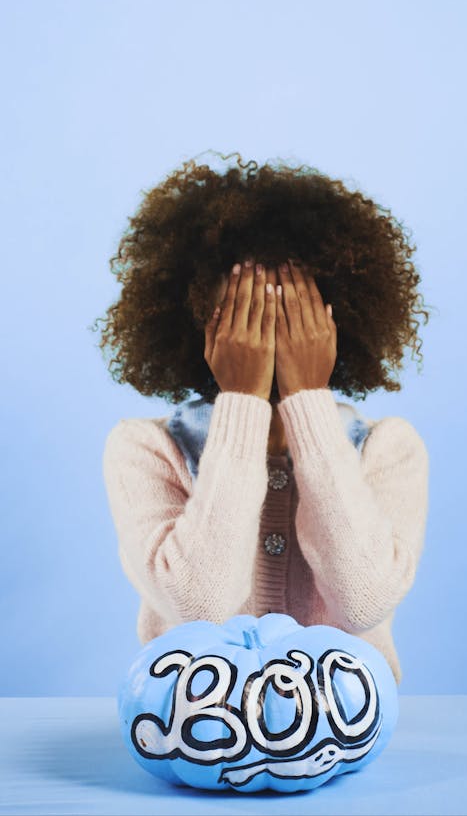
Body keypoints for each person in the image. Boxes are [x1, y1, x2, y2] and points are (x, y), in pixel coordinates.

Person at [94, 151, 433, 686]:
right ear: (200, 318)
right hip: (197, 721)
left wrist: (309, 401)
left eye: (294, 309)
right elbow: (199, 605)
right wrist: (243, 402)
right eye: (245, 310)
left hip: (338, 721)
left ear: (336, 320)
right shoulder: (143, 449)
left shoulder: (388, 448)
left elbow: (364, 601)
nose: (270, 328)